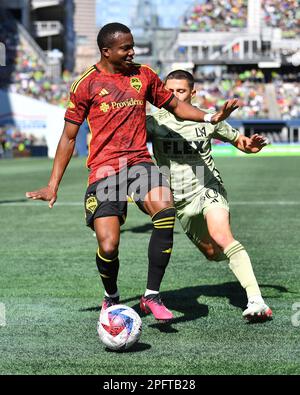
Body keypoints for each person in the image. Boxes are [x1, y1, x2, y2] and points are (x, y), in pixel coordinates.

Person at [26, 23, 239, 323]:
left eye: (132, 46)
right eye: (125, 48)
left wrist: (210, 116)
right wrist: (52, 185)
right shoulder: (85, 84)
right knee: (109, 245)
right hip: (104, 170)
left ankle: (151, 295)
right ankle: (111, 296)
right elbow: (69, 137)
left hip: (138, 162)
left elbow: (176, 106)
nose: (132, 52)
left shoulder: (144, 75)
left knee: (164, 209)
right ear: (106, 51)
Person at [146, 69, 272, 321]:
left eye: (180, 91)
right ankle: (238, 259)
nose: (174, 96)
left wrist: (252, 146)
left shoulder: (209, 119)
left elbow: (241, 142)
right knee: (213, 254)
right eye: (169, 91)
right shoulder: (154, 121)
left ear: (193, 93)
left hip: (208, 188)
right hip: (179, 201)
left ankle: (256, 300)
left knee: (222, 235)